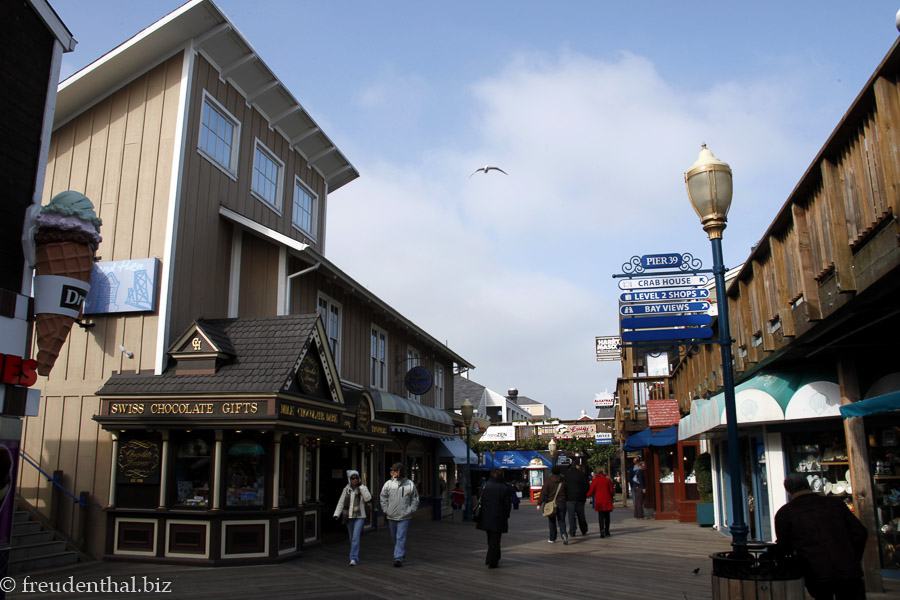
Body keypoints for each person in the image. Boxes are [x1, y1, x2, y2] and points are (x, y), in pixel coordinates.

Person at [773, 472, 868, 600]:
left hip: (816, 572)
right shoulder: (835, 504)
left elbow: (784, 546)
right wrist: (852, 556)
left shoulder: (785, 513)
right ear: (809, 486)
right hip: (847, 569)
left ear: (788, 492)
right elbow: (860, 533)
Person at [379, 462, 419, 567]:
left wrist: (410, 509)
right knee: (394, 537)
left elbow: (415, 498)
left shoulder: (409, 484)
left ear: (400, 472)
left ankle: (398, 558)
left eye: (395, 470)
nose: (392, 472)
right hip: (391, 515)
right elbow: (383, 497)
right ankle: (401, 552)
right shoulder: (388, 484)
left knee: (400, 536)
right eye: (392, 470)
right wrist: (386, 509)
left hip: (404, 515)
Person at [332, 469, 372, 566]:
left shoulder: (363, 488)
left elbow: (368, 498)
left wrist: (361, 487)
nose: (354, 480)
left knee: (355, 537)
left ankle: (353, 558)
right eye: (352, 478)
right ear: (349, 479)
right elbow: (341, 503)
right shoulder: (346, 489)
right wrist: (336, 514)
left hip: (360, 516)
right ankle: (355, 555)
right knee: (352, 537)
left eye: (356, 478)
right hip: (349, 516)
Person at [476, 468, 511, 568]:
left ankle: (496, 555)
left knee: (490, 537)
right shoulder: (504, 488)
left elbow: (479, 496)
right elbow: (507, 505)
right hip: (499, 517)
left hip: (486, 515)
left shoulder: (485, 486)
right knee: (495, 538)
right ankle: (492, 560)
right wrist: (506, 514)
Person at [537, 465, 568, 544]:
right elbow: (567, 492)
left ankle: (552, 538)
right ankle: (564, 534)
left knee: (552, 521)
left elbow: (543, 493)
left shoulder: (548, 482)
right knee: (562, 521)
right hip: (562, 503)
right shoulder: (563, 481)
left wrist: (539, 503)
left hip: (551, 503)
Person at [586, 467, 615, 537]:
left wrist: (586, 495)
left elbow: (592, 490)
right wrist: (611, 497)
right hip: (607, 500)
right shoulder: (608, 480)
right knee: (607, 516)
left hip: (599, 500)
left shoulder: (595, 480)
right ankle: (607, 530)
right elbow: (611, 491)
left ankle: (601, 530)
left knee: (601, 516)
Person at [564, 463, 589, 537]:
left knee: (571, 515)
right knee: (581, 514)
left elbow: (564, 486)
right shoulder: (581, 474)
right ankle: (584, 529)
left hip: (569, 498)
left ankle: (572, 531)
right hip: (580, 497)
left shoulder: (566, 475)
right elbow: (586, 486)